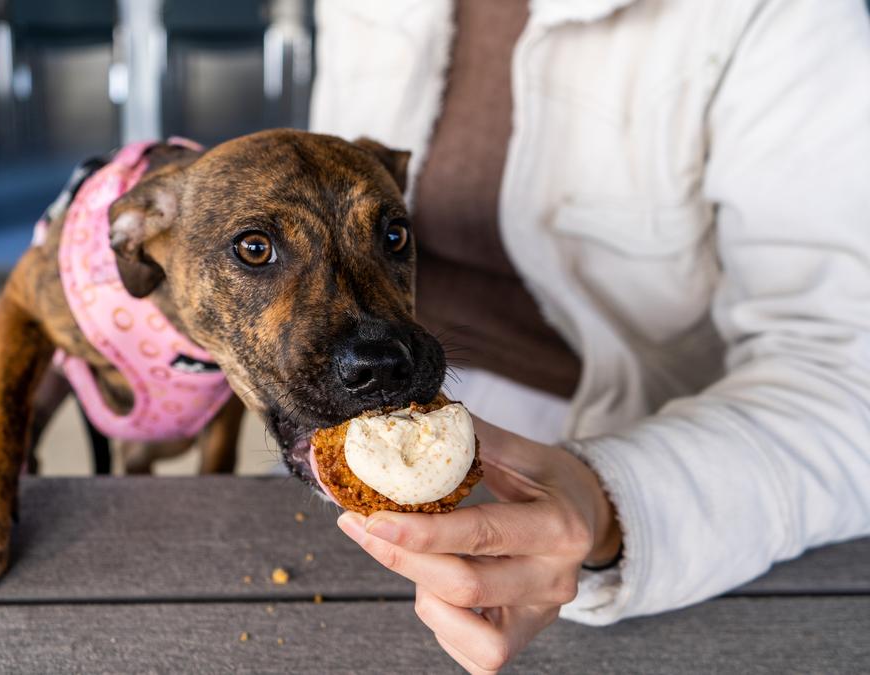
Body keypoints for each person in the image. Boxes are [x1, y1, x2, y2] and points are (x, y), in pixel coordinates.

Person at [308, 0, 870, 671]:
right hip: (343, 475)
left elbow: (846, 380)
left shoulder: (780, 16)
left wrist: (610, 503)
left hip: (655, 487)